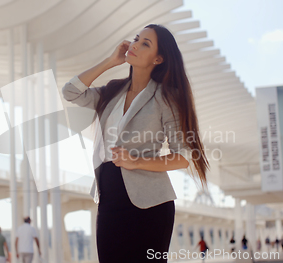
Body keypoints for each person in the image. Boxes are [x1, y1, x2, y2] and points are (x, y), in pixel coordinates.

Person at [62, 24, 209, 263]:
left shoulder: (166, 97)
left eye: (145, 44)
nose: (135, 45)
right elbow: (71, 92)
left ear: (158, 58)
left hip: (150, 205)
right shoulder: (111, 90)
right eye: (136, 39)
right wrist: (110, 61)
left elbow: (183, 156)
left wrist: (136, 161)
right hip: (109, 198)